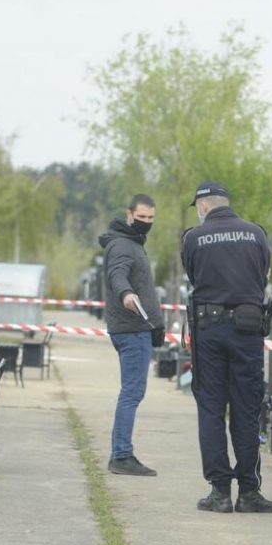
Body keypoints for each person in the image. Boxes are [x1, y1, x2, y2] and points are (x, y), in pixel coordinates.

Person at [181, 181, 272, 513]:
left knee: (210, 408)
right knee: (246, 409)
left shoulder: (193, 238)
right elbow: (262, 275)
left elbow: (193, 276)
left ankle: (220, 492)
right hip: (248, 331)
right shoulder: (256, 234)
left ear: (203, 206)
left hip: (209, 331)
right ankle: (249, 491)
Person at [99, 193, 164, 476]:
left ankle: (121, 453)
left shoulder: (130, 242)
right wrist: (126, 294)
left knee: (132, 392)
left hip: (136, 328)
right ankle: (122, 455)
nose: (146, 223)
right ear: (129, 214)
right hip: (131, 329)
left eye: (150, 218)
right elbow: (117, 275)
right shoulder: (124, 246)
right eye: (141, 218)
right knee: (132, 392)